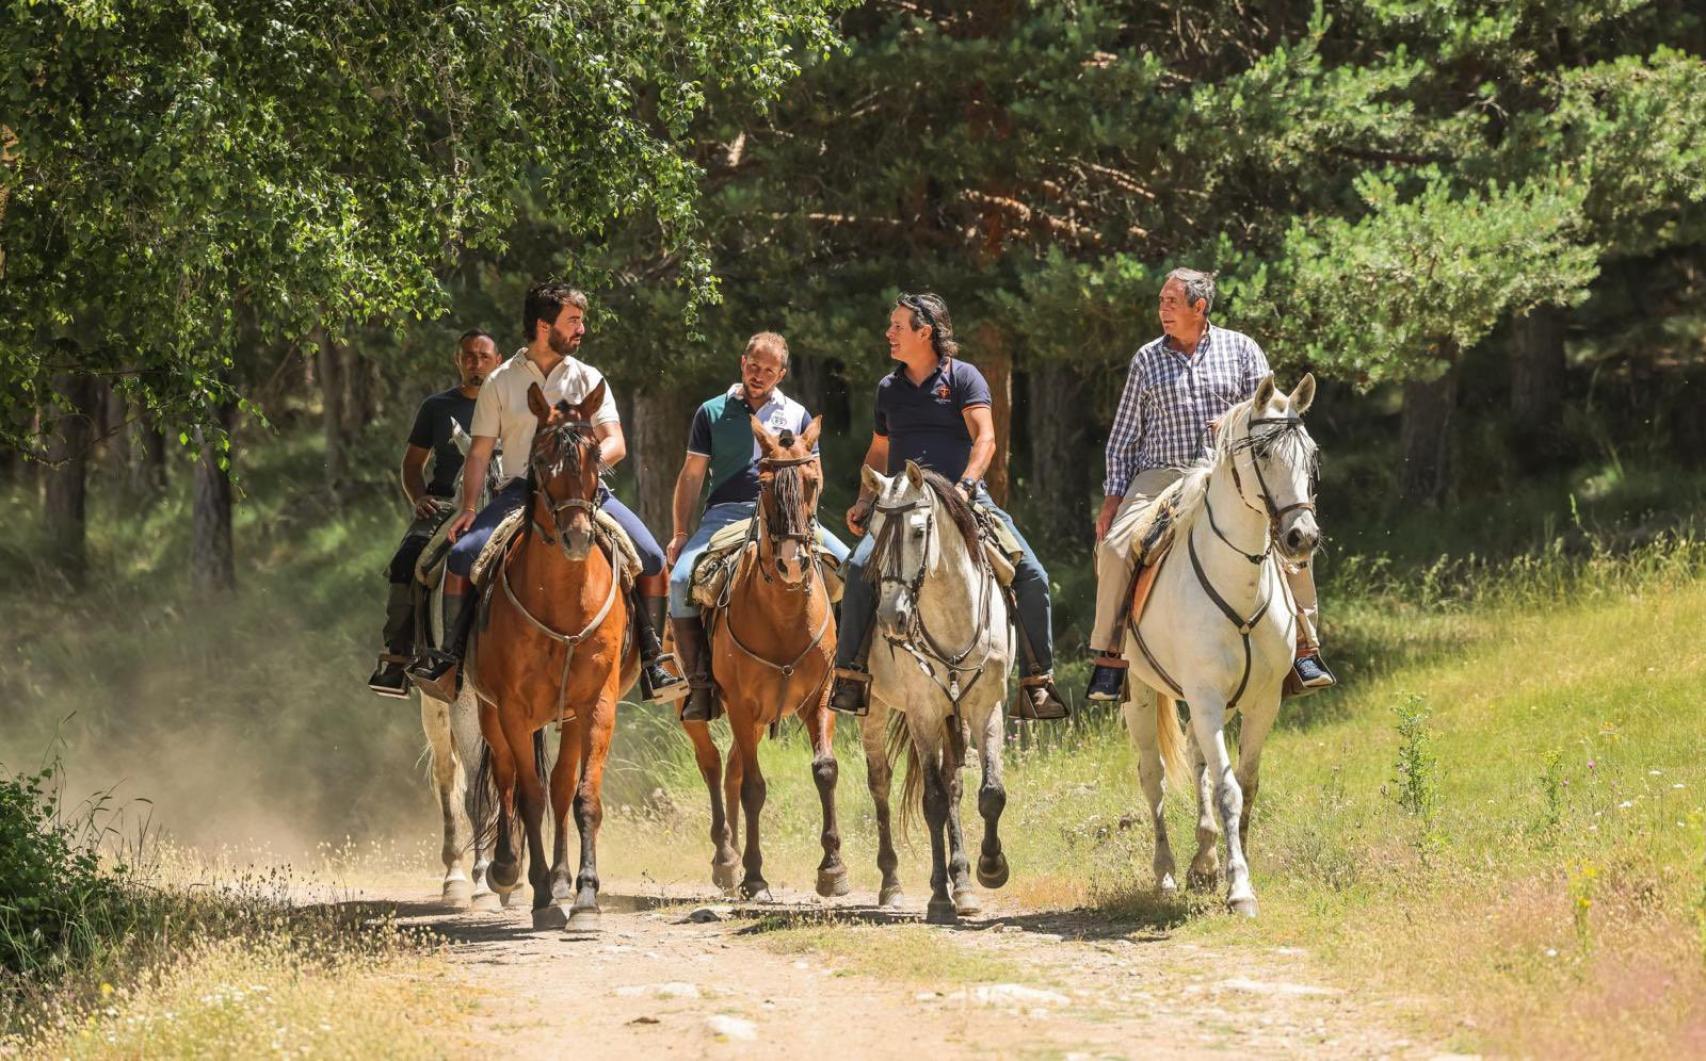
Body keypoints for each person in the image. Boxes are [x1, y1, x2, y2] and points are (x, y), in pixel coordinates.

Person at [406, 281, 686, 703]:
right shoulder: (501, 380)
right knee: (463, 557)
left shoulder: (589, 378)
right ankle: (451, 661)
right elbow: (479, 451)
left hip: (585, 494)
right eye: (573, 321)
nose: (581, 330)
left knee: (649, 557)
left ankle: (653, 661)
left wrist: (581, 468)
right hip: (518, 492)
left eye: (581, 322)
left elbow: (616, 441)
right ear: (543, 325)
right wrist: (467, 507)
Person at [1085, 267, 1336, 703]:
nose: (1162, 310)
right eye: (1161, 302)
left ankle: (1304, 647)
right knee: (1115, 549)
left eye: (1171, 302)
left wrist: (1235, 419)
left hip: (1229, 474)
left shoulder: (1242, 349)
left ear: (1199, 307)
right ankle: (1110, 656)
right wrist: (1112, 499)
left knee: (1293, 538)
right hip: (1161, 474)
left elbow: (1270, 411)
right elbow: (1124, 437)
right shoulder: (1147, 359)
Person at [827, 293, 1067, 721]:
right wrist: (866, 498)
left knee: (1032, 574)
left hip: (963, 498)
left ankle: (1038, 682)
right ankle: (850, 675)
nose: (890, 334)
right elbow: (880, 448)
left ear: (926, 332)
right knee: (861, 570)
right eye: (891, 326)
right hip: (902, 503)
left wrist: (966, 486)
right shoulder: (888, 389)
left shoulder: (964, 378)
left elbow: (986, 439)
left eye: (898, 326)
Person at [663, 332, 851, 721]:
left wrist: (806, 514)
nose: (758, 374)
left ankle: (847, 673)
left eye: (768, 369)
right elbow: (693, 475)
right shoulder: (711, 412)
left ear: (781, 373)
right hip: (726, 514)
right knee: (681, 580)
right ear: (742, 362)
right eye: (753, 365)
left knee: (853, 568)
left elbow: (814, 473)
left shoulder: (797, 414)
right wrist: (681, 532)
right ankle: (701, 685)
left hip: (790, 517)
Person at [367, 330, 501, 698]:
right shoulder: (436, 407)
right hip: (446, 505)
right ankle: (398, 657)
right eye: (469, 356)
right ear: (458, 361)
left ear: (498, 361)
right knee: (407, 561)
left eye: (483, 356)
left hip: (501, 503)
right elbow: (412, 464)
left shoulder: (512, 404)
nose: (476, 363)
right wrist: (420, 496)